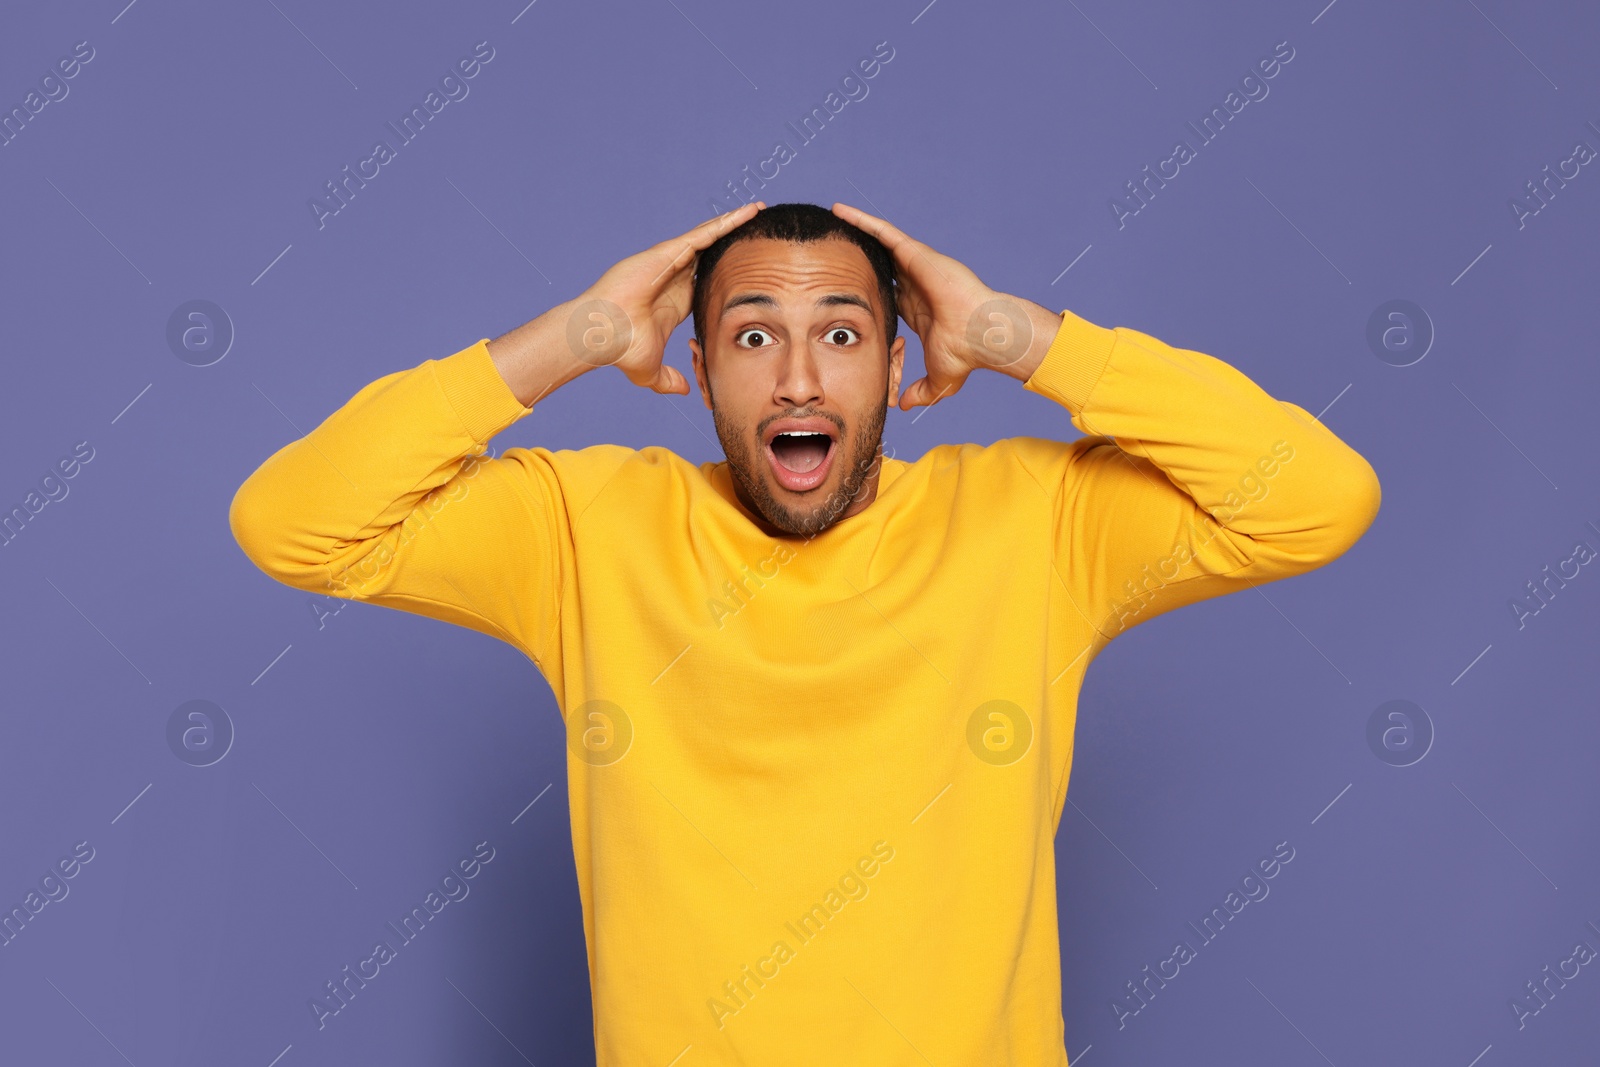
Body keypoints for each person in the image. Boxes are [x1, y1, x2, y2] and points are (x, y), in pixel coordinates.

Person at [229, 200, 1380, 1065]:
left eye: (838, 335)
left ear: (898, 361)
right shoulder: (585, 527)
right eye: (750, 336)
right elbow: (293, 524)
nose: (795, 380)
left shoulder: (1036, 520)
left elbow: (1314, 499)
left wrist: (1014, 331)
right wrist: (577, 333)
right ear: (695, 368)